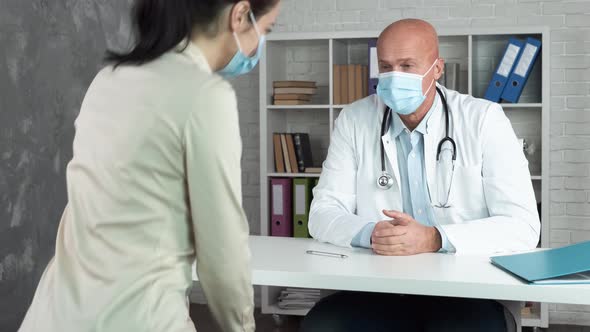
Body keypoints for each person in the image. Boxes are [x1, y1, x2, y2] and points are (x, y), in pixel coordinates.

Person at [19, 1, 280, 331]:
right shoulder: (206, 96)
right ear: (240, 15)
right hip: (137, 318)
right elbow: (223, 259)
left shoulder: (108, 80)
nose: (259, 46)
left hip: (52, 315)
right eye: (266, 30)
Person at [302, 19, 540, 332]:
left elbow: (522, 226)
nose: (394, 76)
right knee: (323, 326)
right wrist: (373, 233)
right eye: (386, 66)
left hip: (465, 290)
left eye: (407, 65)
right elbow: (322, 213)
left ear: (437, 69)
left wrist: (434, 238)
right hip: (377, 286)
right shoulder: (355, 120)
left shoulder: (483, 120)